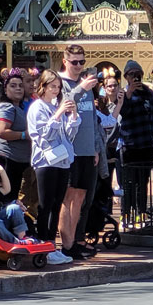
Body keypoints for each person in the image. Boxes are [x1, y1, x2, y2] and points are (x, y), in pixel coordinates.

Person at [26, 69, 78, 265]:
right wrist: (57, 113)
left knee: (56, 204)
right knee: (45, 205)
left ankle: (51, 245)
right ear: (44, 87)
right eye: (53, 86)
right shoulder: (37, 108)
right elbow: (44, 135)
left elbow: (68, 135)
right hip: (46, 161)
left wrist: (72, 115)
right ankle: (44, 245)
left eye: (58, 87)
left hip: (62, 160)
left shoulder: (57, 106)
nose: (56, 90)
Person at [57, 45, 101, 258]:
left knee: (81, 197)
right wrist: (81, 87)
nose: (78, 66)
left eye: (81, 62)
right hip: (69, 151)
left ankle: (74, 241)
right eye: (74, 62)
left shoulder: (87, 86)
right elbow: (65, 104)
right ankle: (66, 244)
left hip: (87, 150)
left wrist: (95, 148)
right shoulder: (61, 83)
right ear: (65, 61)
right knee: (69, 196)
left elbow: (93, 118)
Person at [117, 59, 153, 225]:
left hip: (146, 145)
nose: (136, 77)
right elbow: (122, 114)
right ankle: (125, 215)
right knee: (128, 183)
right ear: (126, 77)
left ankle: (140, 214)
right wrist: (128, 95)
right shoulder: (122, 93)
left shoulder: (150, 94)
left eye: (138, 74)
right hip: (129, 145)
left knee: (143, 182)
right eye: (132, 74)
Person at [0, 72, 31, 201]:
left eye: (20, 86)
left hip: (17, 161)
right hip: (6, 160)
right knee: (4, 200)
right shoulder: (6, 107)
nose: (18, 88)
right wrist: (24, 135)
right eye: (13, 86)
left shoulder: (17, 108)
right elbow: (2, 131)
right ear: (5, 90)